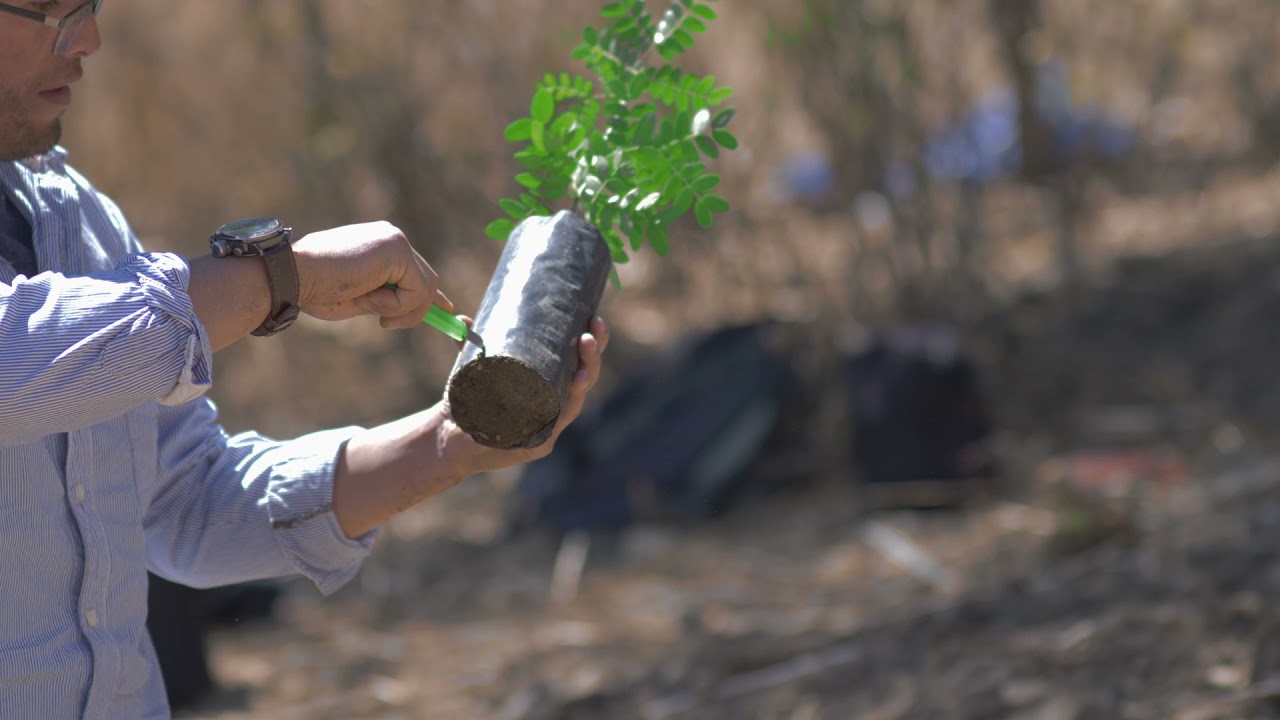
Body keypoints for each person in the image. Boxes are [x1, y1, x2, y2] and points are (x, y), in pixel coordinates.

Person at [0, 2, 611, 718]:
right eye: (48, 9)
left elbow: (186, 504)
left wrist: (451, 445)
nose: (89, 40)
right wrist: (281, 279)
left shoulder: (81, 222)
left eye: (90, 7)